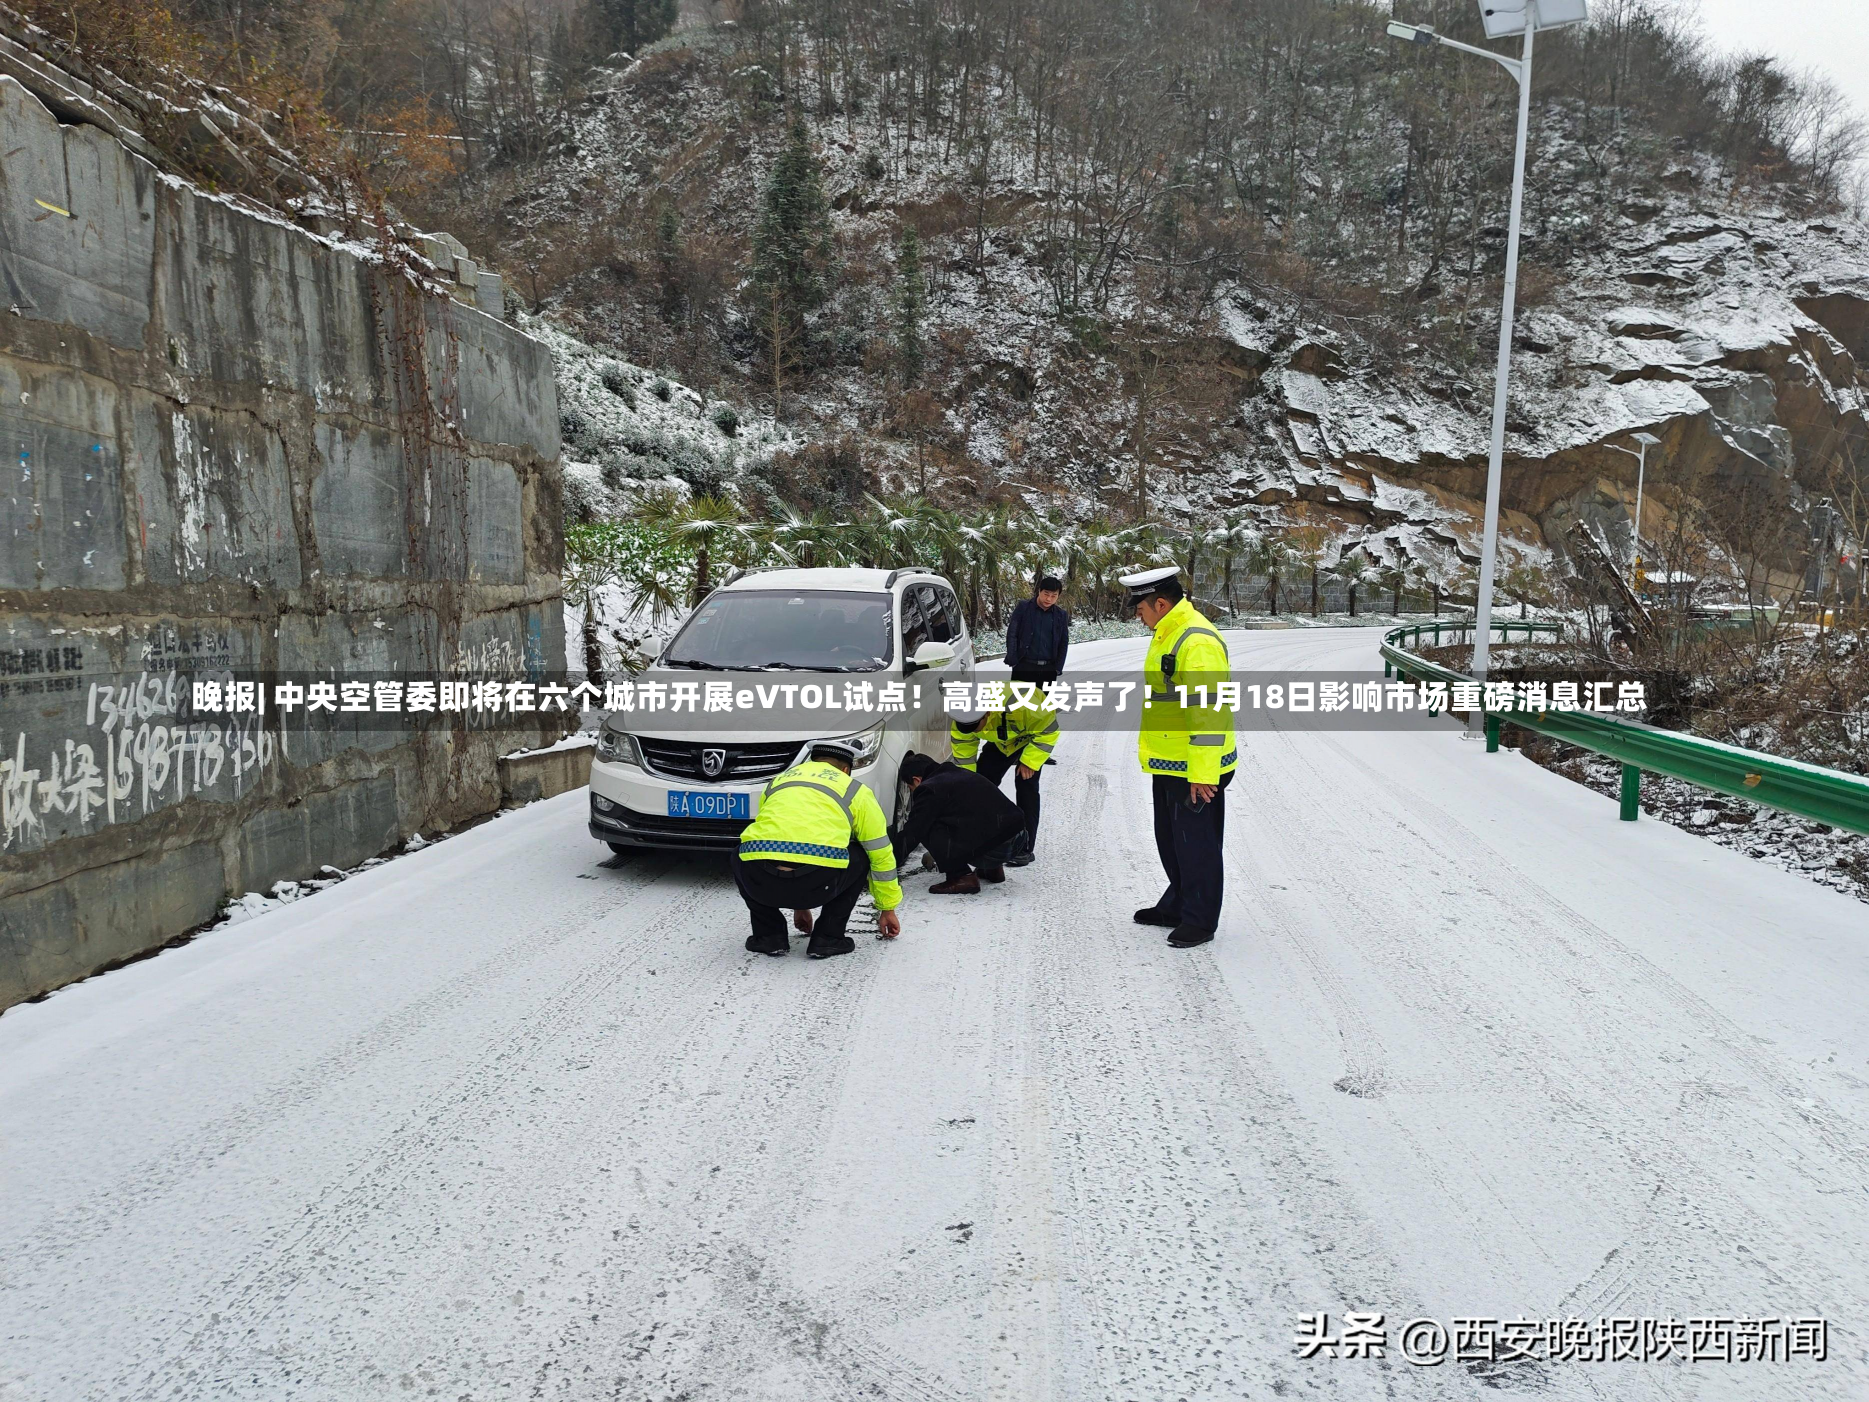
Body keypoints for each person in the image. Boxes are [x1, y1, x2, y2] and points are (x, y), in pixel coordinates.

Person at [1119, 566, 1237, 949]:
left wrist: (1203, 774)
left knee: (1196, 846)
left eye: (1141, 609)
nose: (1139, 615)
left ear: (1161, 603)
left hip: (1196, 768)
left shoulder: (1195, 641)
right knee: (1172, 841)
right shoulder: (1167, 631)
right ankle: (1178, 904)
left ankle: (1200, 920)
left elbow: (1209, 711)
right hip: (1172, 762)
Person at [733, 739, 902, 959]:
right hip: (818, 882)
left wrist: (799, 907)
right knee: (860, 856)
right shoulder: (855, 790)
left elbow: (782, 837)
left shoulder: (779, 782)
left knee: (743, 852)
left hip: (760, 880)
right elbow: (880, 853)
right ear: (845, 769)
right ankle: (828, 938)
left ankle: (768, 937)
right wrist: (887, 908)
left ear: (814, 761)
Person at [892, 751, 1030, 894]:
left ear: (916, 780)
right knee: (969, 817)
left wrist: (887, 864)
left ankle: (961, 877)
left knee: (926, 825)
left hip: (998, 848)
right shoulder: (955, 773)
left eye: (910, 787)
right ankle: (992, 869)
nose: (912, 792)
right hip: (1018, 836)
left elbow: (913, 832)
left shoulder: (930, 788)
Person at [949, 691, 1057, 866]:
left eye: (976, 726)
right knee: (980, 784)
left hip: (1030, 737)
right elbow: (964, 758)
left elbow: (1049, 730)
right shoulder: (963, 718)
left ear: (987, 712)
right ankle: (980, 839)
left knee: (1026, 785)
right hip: (1001, 740)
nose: (973, 730)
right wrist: (968, 783)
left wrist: (1030, 761)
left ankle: (1025, 848)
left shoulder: (1027, 706)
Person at [1003, 575, 1070, 685]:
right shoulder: (1024, 608)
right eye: (1046, 594)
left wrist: (1058, 667)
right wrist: (1014, 660)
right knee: (1020, 701)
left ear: (1058, 596)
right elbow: (1012, 633)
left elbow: (1063, 641)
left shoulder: (1061, 615)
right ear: (1039, 591)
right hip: (1024, 666)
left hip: (1048, 669)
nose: (1049, 599)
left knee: (1043, 702)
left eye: (1054, 596)